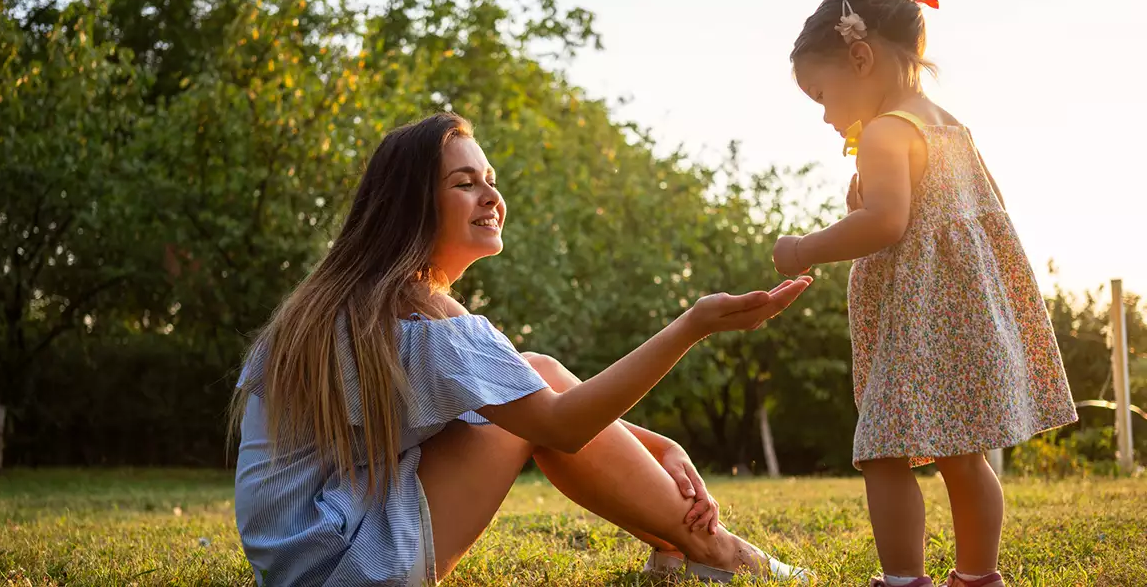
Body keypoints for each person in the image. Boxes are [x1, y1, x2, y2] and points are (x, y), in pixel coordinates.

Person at [229, 112, 816, 586]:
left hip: (303, 556)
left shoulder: (357, 300)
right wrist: (693, 325)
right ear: (411, 207)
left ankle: (674, 545)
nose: (490, 195)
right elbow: (557, 426)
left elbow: (535, 392)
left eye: (490, 179)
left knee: (533, 371)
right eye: (465, 184)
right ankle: (717, 549)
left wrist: (660, 444)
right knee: (532, 401)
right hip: (343, 565)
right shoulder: (415, 313)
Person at [772, 0, 1078, 587]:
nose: (826, 115)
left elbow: (887, 224)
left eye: (822, 96)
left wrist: (805, 247)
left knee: (883, 452)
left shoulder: (886, 132)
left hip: (919, 326)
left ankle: (904, 579)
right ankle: (977, 576)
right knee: (962, 455)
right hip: (968, 321)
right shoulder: (950, 128)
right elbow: (938, 218)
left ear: (860, 58)